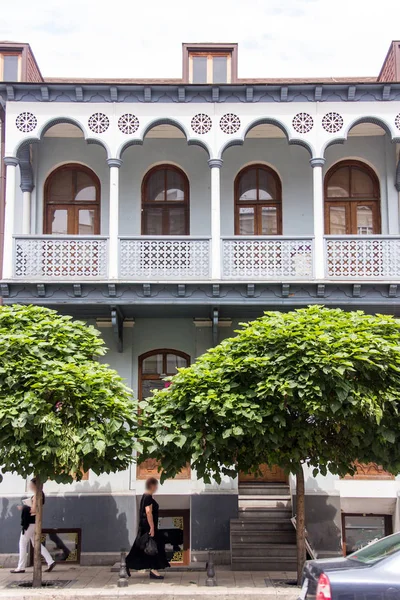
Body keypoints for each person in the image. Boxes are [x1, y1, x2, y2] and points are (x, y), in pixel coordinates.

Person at [126, 477, 170, 580]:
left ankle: (128, 564)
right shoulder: (148, 497)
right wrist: (152, 527)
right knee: (152, 547)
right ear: (152, 486)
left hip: (145, 526)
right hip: (148, 527)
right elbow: (148, 512)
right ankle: (152, 570)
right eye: (156, 486)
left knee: (142, 547)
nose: (156, 488)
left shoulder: (146, 497)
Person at [10, 478, 56, 574]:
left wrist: (23, 508)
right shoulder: (39, 494)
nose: (29, 486)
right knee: (36, 544)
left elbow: (34, 510)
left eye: (31, 484)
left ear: (35, 485)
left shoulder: (37, 495)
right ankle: (50, 561)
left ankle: (21, 567)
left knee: (22, 543)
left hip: (30, 522)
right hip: (34, 522)